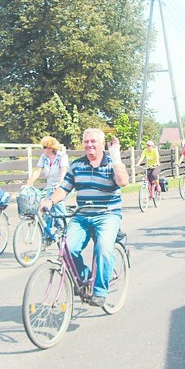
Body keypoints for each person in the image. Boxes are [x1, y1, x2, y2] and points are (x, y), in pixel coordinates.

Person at [41, 129, 129, 307]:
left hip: (107, 214)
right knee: (67, 248)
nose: (89, 145)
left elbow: (123, 182)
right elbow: (64, 188)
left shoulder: (112, 162)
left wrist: (116, 158)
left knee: (103, 249)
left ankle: (100, 291)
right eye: (86, 141)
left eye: (93, 141)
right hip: (82, 215)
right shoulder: (76, 165)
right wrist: (50, 201)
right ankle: (86, 278)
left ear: (102, 143)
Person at [25, 135, 69, 237]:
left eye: (44, 147)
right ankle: (46, 236)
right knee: (46, 209)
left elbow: (64, 170)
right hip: (50, 186)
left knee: (57, 203)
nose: (43, 149)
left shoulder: (62, 156)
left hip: (63, 186)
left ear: (51, 148)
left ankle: (65, 228)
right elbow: (37, 171)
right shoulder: (44, 157)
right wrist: (29, 183)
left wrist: (59, 183)